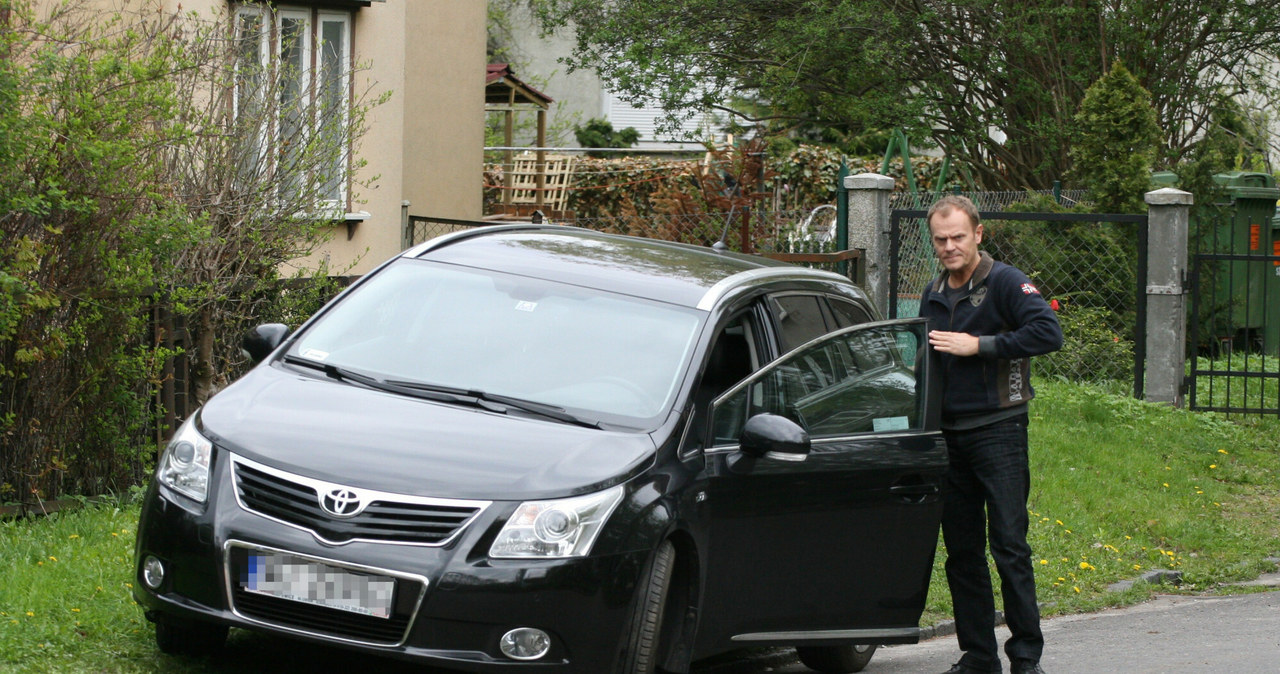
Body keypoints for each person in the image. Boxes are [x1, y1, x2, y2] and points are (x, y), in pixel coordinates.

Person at [919, 196, 1063, 674]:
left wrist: (980, 345)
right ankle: (978, 656)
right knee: (962, 554)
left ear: (978, 234)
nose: (949, 246)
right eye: (941, 239)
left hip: (999, 430)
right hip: (948, 438)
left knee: (1009, 546)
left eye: (958, 236)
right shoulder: (934, 291)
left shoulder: (1005, 281)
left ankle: (1025, 657)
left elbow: (1047, 333)